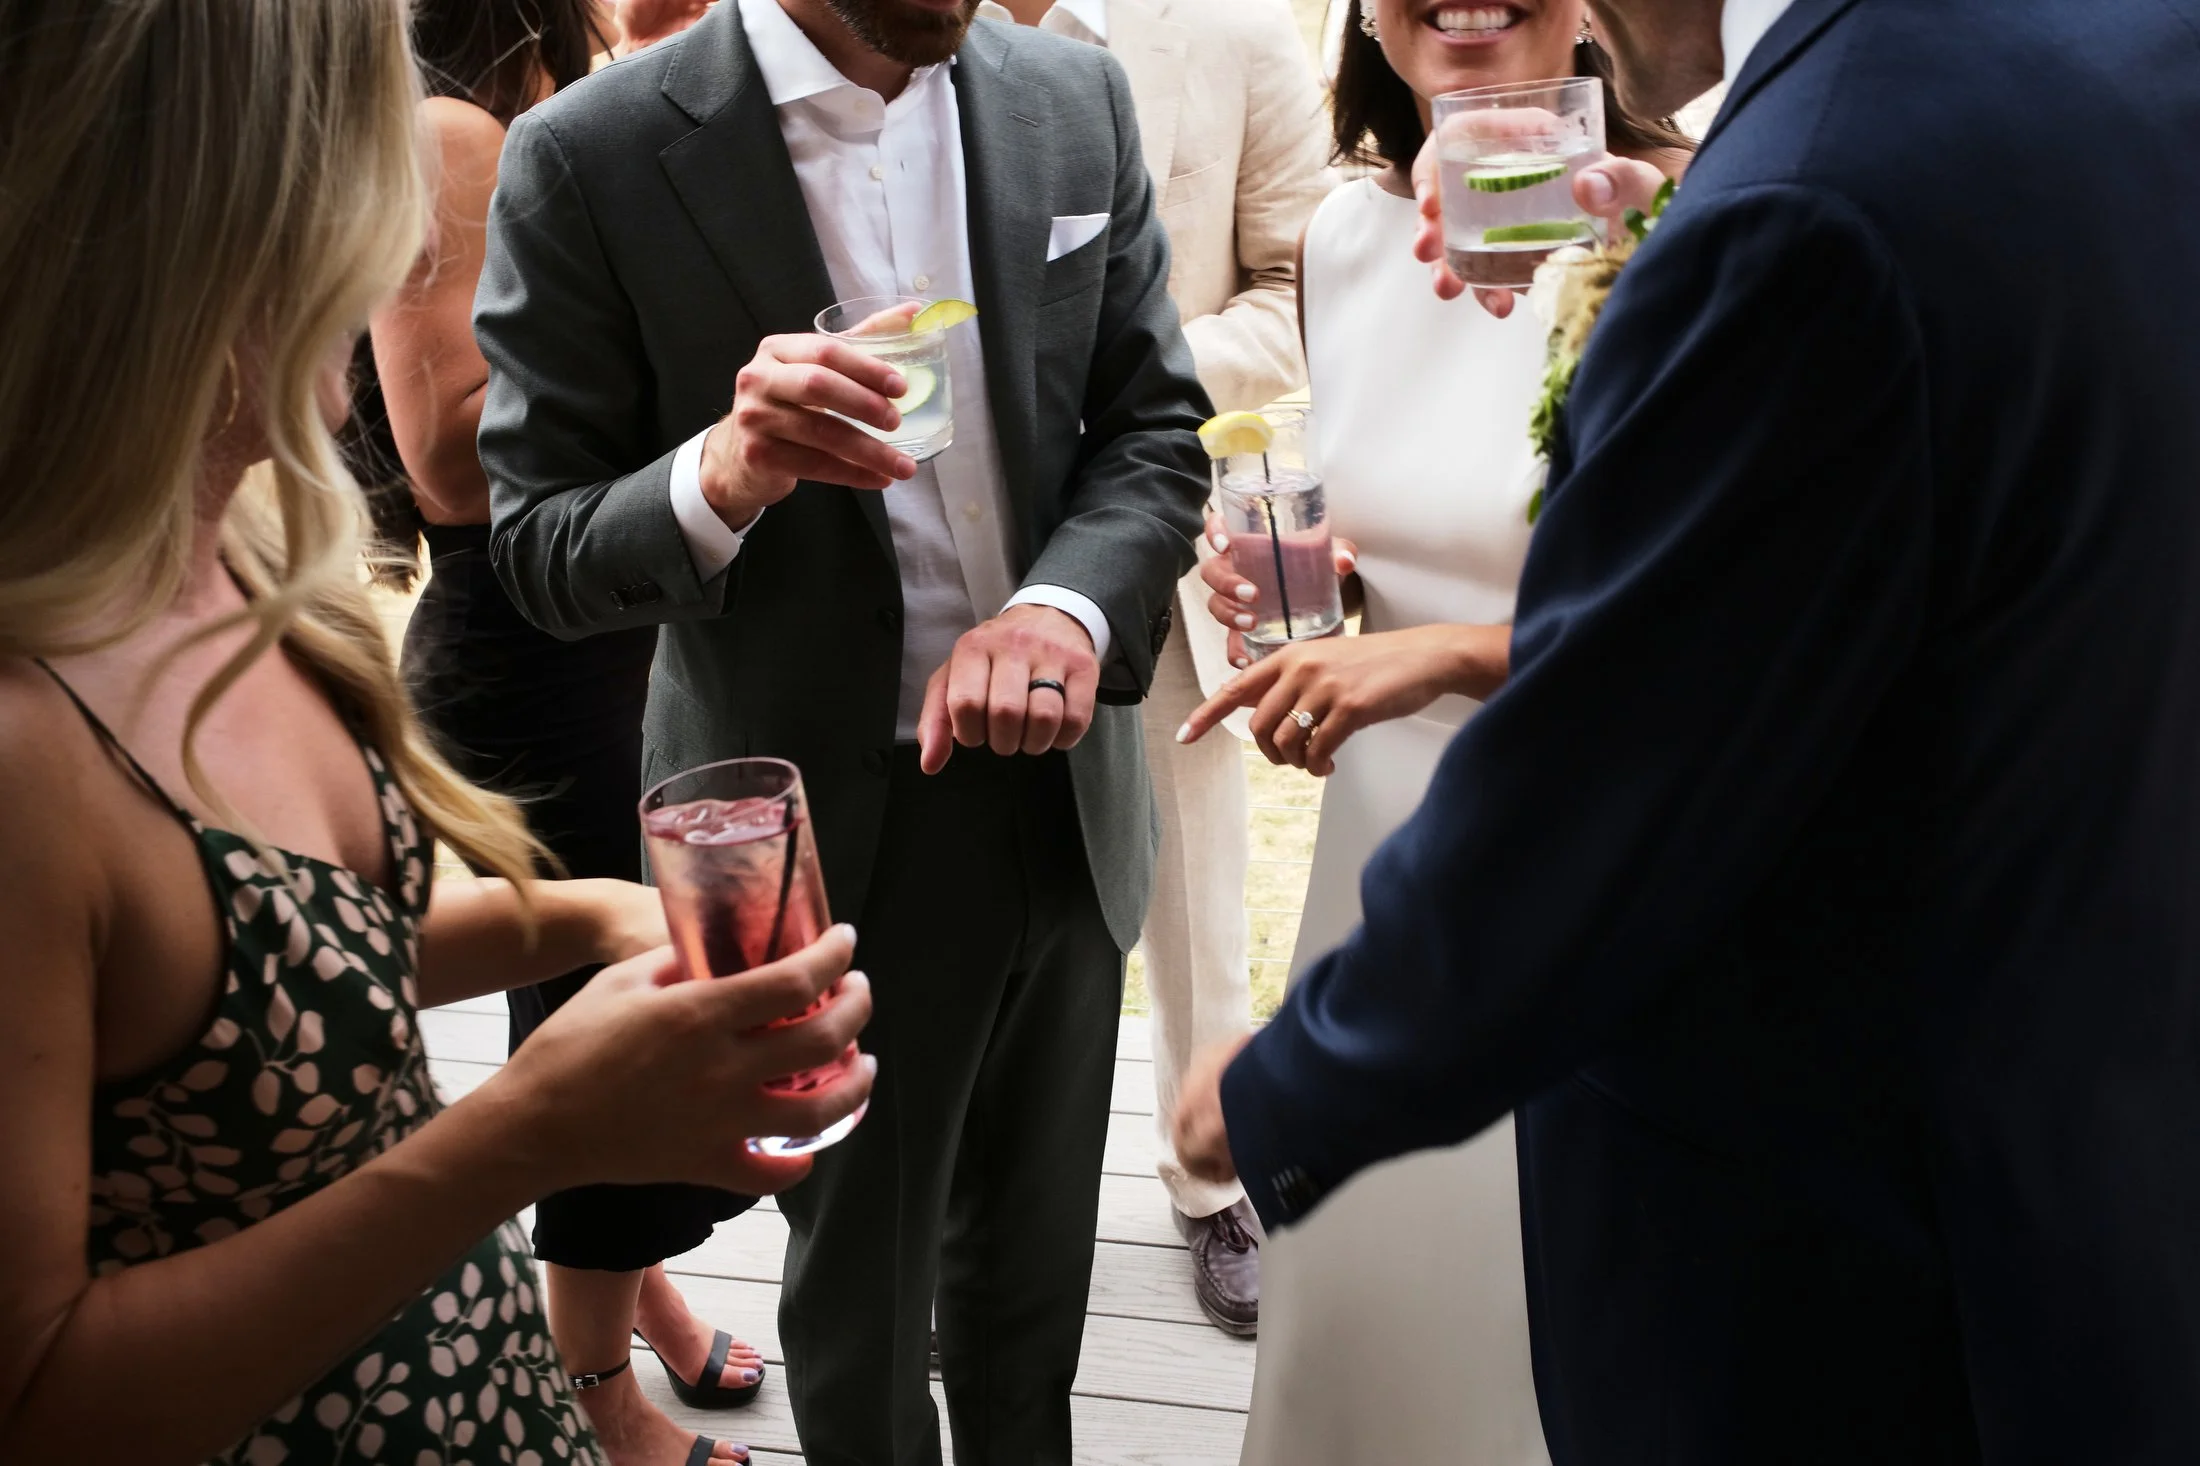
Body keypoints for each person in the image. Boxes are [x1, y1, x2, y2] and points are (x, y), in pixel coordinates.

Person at [1175, 0, 2200, 1459]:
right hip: (2085, 1102)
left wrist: (1289, 1078)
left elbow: (1631, 742)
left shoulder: (1805, 199)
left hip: (1833, 1209)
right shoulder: (2122, 43)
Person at [0, 3, 873, 1465]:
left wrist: (602, 916)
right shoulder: (28, 738)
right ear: (195, 220)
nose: (411, 245)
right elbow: (38, 1406)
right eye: (369, 175)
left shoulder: (232, 567)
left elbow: (285, 974)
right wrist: (530, 1128)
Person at [472, 0, 1211, 1460]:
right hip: (815, 835)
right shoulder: (587, 153)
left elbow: (1152, 429)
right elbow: (540, 546)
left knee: (1033, 1292)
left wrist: (1061, 611)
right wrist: (724, 471)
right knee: (862, 1302)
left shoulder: (1074, 95)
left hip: (1069, 797)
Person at [1172, 0, 1685, 1456]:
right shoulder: (1345, 241)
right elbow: (1408, 533)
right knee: (1368, 1335)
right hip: (1382, 863)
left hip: (1598, 872)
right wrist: (1315, 589)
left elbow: (1727, 628)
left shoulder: (1685, 224)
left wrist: (1436, 656)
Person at [345, 3, 772, 1462]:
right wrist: (701, 388)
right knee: (609, 1005)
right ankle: (595, 1402)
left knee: (599, 986)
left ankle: (634, 1304)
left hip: (591, 630)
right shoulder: (451, 132)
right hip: (525, 652)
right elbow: (446, 458)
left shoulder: (540, 107)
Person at [976, 0, 1330, 1336]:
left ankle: (1214, 1176)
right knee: (962, 879)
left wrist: (1124, 379)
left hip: (1168, 529)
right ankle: (958, 1194)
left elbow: (1299, 295)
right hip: (943, 531)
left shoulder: (1239, 33)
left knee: (1192, 879)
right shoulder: (895, 37)